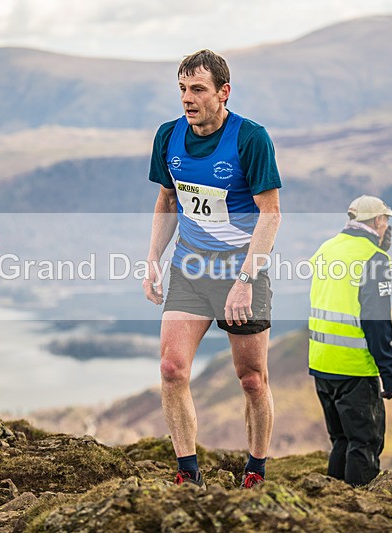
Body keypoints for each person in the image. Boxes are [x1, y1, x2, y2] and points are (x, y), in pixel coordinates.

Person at [143, 50, 282, 489]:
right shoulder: (168, 137)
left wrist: (244, 280)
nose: (188, 98)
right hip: (190, 268)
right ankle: (188, 472)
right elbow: (167, 201)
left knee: (252, 380)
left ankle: (255, 471)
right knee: (171, 370)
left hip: (242, 272)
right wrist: (152, 260)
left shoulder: (250, 138)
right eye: (182, 89)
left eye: (198, 89)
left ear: (223, 92)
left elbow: (271, 214)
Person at [308, 195, 392, 487]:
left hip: (321, 364)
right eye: (386, 220)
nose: (387, 227)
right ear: (376, 221)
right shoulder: (374, 259)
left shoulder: (326, 249)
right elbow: (376, 322)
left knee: (341, 441)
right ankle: (359, 513)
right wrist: (389, 370)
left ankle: (332, 507)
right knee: (364, 443)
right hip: (354, 368)